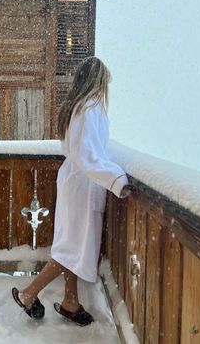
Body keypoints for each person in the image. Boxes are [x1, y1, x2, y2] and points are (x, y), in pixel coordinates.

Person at [12, 56, 131, 326]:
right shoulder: (88, 108)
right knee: (72, 248)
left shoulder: (77, 106)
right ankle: (29, 293)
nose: (105, 90)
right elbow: (87, 154)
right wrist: (116, 179)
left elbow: (84, 152)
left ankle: (70, 300)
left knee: (72, 244)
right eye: (104, 83)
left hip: (76, 181)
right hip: (82, 184)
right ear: (96, 82)